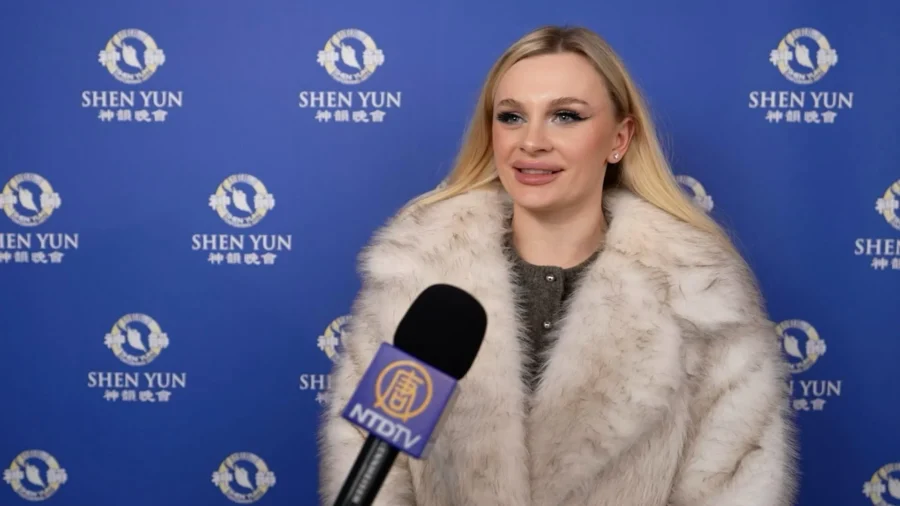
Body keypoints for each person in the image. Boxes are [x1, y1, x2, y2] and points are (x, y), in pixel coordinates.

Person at [318, 24, 798, 506]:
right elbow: (370, 471)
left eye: (565, 116)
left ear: (619, 138)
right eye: (511, 117)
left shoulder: (701, 301)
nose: (531, 141)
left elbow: (733, 489)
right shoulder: (418, 282)